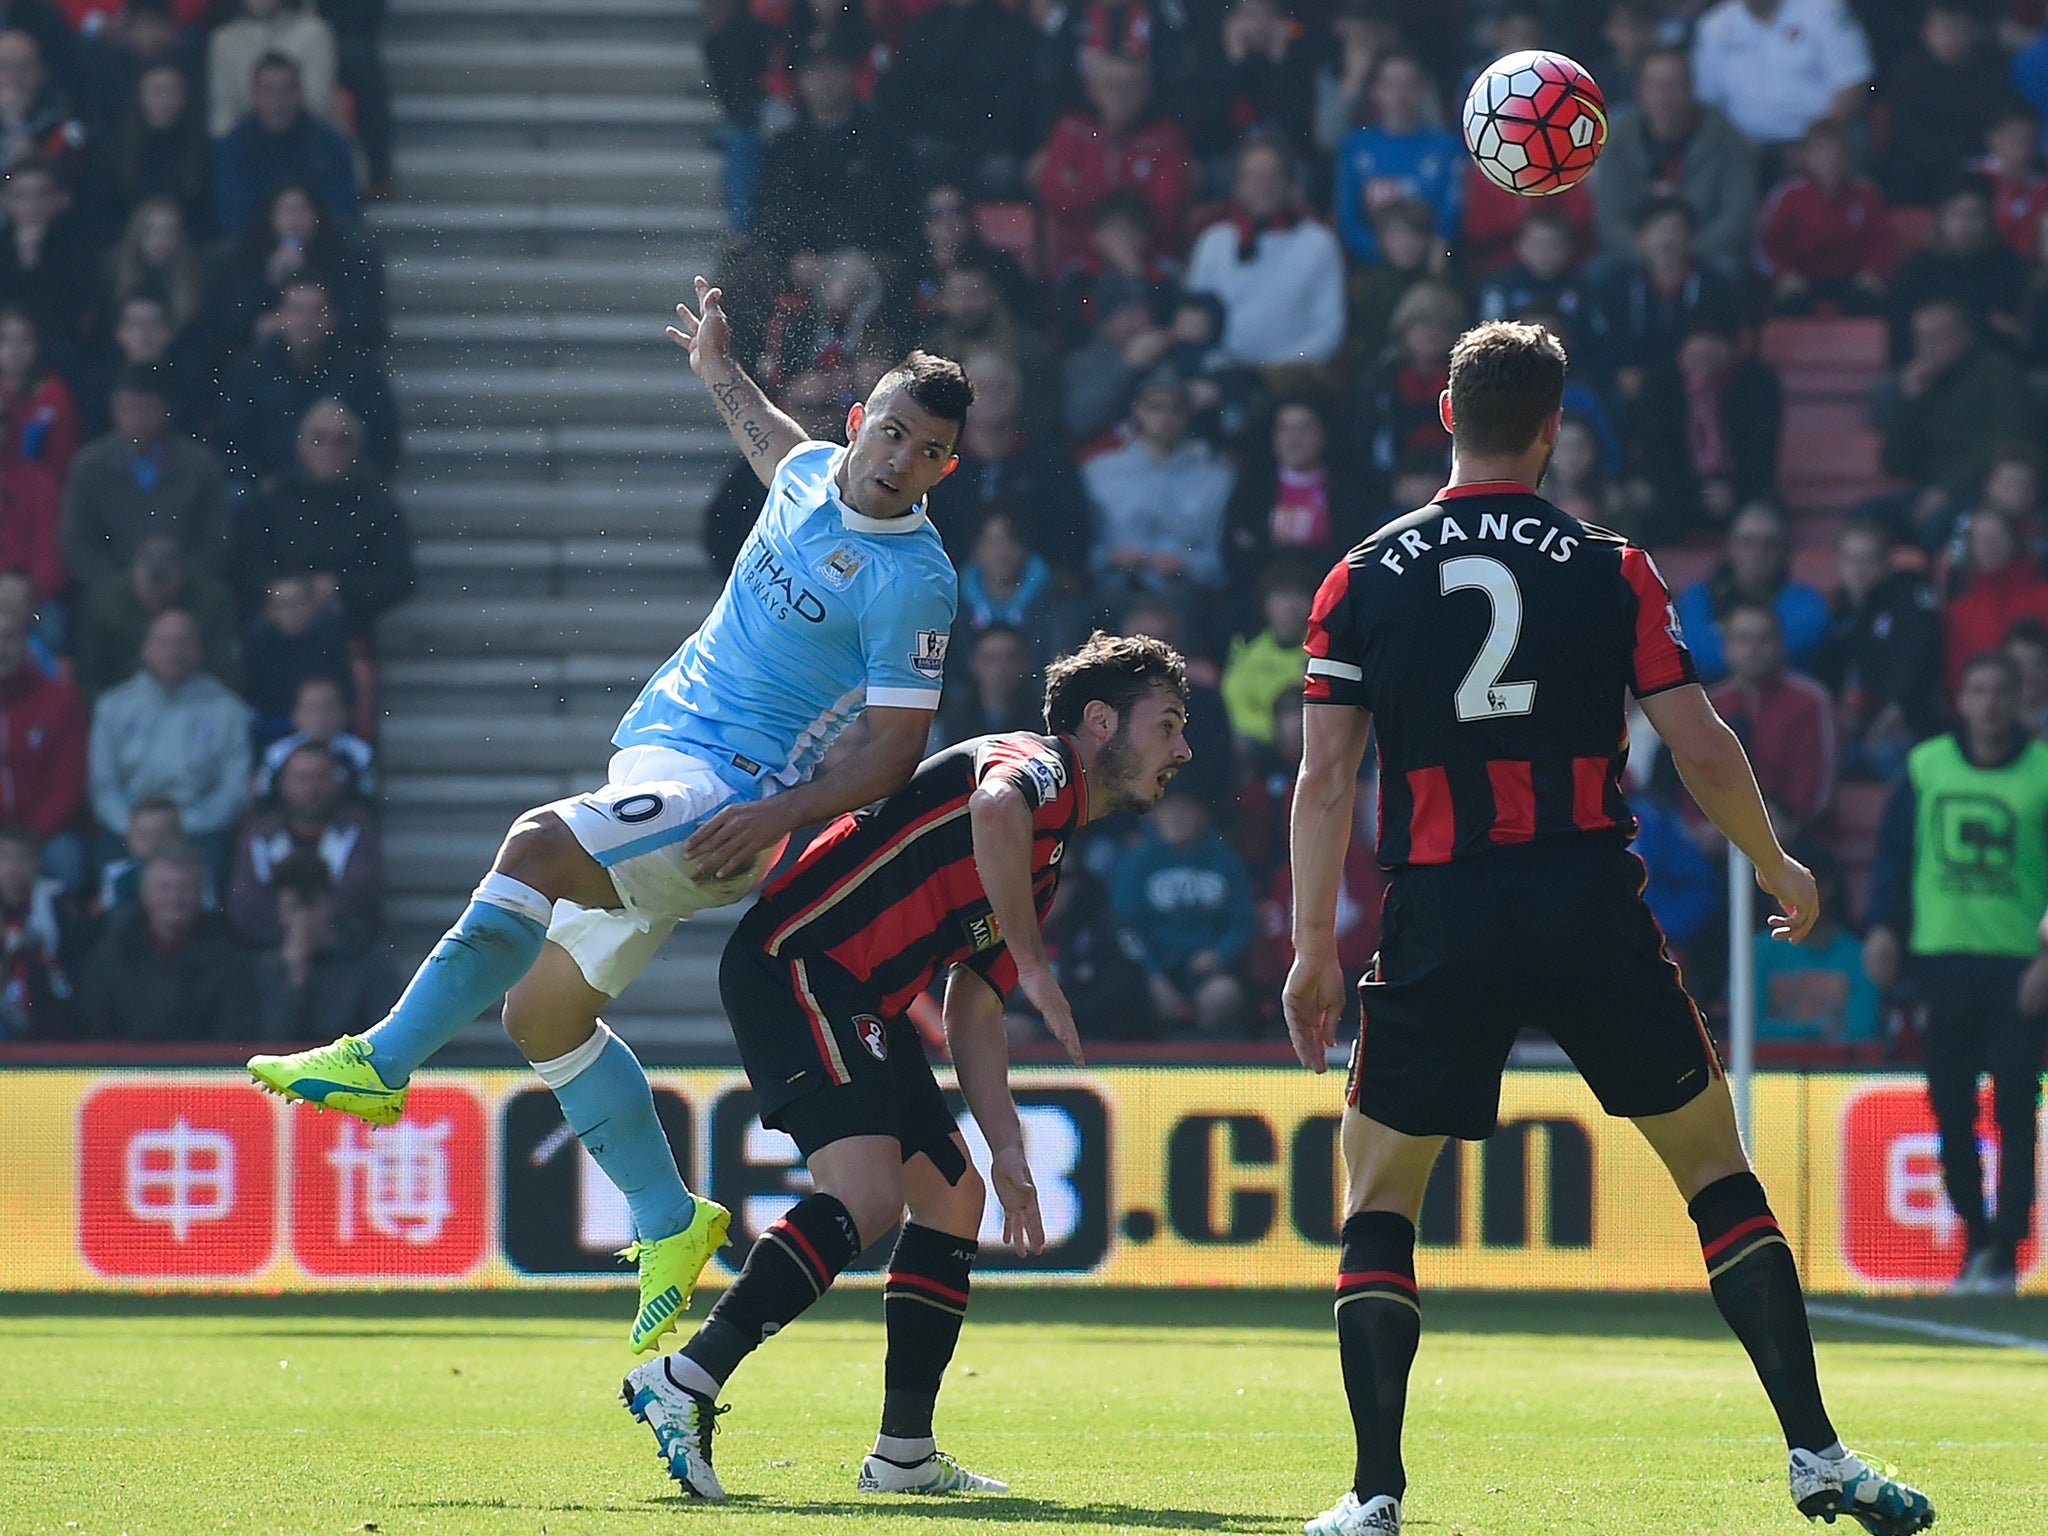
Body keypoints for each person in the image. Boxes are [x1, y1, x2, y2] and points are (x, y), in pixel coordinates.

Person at [1283, 318, 1933, 1536]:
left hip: (1442, 905)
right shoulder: (1611, 566)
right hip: (1587, 898)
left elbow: (1323, 781)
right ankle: (1816, 1454)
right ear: (1550, 431)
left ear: (1443, 416)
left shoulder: (1360, 576)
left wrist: (1313, 949)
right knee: (1713, 1171)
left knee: (1378, 1195)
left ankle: (1371, 1495)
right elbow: (1697, 742)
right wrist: (1775, 862)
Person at [248, 280, 968, 1355]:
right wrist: (716, 367)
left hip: (722, 796)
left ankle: (383, 1061)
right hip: (668, 761)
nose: (896, 458)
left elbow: (895, 749)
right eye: (891, 430)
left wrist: (775, 815)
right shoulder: (815, 470)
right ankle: (671, 1221)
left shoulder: (915, 580)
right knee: (540, 1018)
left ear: (942, 469)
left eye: (924, 451)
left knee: (534, 845)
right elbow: (771, 438)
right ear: (860, 421)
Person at [625, 632, 1191, 1500]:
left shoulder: (1045, 858)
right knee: (869, 1196)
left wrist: (1006, 1148)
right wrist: (1038, 964)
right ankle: (686, 1379)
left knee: (955, 1196)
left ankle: (903, 1456)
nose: (1182, 750)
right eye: (1169, 725)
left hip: (863, 999)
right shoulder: (1035, 764)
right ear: (1100, 721)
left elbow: (975, 1004)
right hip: (800, 964)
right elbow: (995, 810)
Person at [1866, 651, 2048, 1296]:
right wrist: (1885, 927)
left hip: (2019, 970)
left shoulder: (2044, 771)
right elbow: (1895, 856)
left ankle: (2006, 1251)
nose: (1990, 701)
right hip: (1942, 963)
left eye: (2001, 688)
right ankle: (1974, 1238)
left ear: (2020, 697)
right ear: (1961, 697)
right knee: (1950, 1111)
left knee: (2016, 1112)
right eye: (1977, 687)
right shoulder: (1926, 766)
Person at [232, 400, 413, 630]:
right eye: (320, 439)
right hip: (275, 623)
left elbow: (399, 578)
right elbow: (245, 564)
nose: (330, 448)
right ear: (301, 446)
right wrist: (280, 590)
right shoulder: (272, 501)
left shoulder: (376, 504)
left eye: (341, 440)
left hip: (348, 624)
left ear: (355, 450)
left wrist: (340, 588)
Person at [87, 606, 252, 858]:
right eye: (164, 643)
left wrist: (182, 828)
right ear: (145, 649)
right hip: (129, 828)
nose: (174, 652)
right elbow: (103, 785)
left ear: (199, 650)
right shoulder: (113, 707)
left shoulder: (227, 710)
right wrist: (136, 828)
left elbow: (234, 788)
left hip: (199, 830)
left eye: (184, 643)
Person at [1591, 45, 1758, 275]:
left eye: (1675, 85)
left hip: (1704, 251)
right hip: (1636, 252)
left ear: (1691, 88)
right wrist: (1649, 252)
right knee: (1599, 273)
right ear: (1639, 91)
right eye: (1656, 86)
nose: (1665, 96)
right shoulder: (1619, 139)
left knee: (1731, 271)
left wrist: (1686, 251)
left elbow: (1737, 215)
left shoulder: (1725, 137)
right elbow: (1609, 217)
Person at [1877, 301, 2036, 541]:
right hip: (1927, 488)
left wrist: (1946, 490)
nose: (1926, 348)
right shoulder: (1918, 383)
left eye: (1936, 337)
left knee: (1934, 530)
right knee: (1867, 518)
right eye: (1920, 338)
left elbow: (2006, 446)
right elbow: (1893, 461)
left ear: (1964, 337)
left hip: (1981, 489)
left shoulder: (1999, 374)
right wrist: (1910, 404)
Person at [60, 364, 230, 586]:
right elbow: (78, 543)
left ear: (168, 411)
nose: (137, 420)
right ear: (113, 411)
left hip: (187, 587)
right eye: (128, 409)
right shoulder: (90, 466)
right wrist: (122, 588)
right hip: (112, 591)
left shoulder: (201, 465)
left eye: (148, 409)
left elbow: (217, 540)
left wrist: (178, 581)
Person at [1186, 134, 1345, 369]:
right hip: (1225, 374)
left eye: (1273, 176)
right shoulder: (1214, 241)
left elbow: (1330, 327)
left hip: (1293, 378)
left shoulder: (1318, 242)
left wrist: (1282, 368)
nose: (1263, 186)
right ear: (1237, 185)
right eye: (1254, 177)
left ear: (1290, 183)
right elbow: (1195, 319)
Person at [216, 278, 396, 483]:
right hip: (269, 490)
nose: (307, 321)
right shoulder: (249, 371)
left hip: (344, 489)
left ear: (333, 318)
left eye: (317, 312)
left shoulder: (361, 373)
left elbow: (382, 445)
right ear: (279, 317)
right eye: (297, 311)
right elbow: (232, 441)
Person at [1081, 368, 1232, 603]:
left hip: (1186, 596)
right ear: (1137, 410)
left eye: (1176, 409)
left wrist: (1186, 564)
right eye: (1155, 408)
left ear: (1188, 414)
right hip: (1115, 592)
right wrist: (1109, 557)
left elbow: (1222, 563)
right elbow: (1082, 553)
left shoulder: (1217, 479)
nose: (1166, 418)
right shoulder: (1098, 473)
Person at [1034, 47, 1191, 272]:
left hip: (1152, 258)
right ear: (1092, 89)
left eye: (1130, 86)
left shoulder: (1167, 138)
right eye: (1110, 85)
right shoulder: (1071, 130)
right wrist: (1111, 225)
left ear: (1145, 91)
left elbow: (1167, 209)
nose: (1119, 94)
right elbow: (1056, 196)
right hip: (1081, 256)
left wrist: (1090, 197)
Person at [1810, 518, 1944, 782]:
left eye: (1868, 560)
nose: (1858, 569)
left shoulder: (1907, 601)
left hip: (1907, 718)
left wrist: (1895, 708)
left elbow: (1917, 663)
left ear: (1886, 563)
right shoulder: (1838, 610)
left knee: (1886, 753)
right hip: (1853, 722)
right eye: (1850, 559)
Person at [1112, 784, 1253, 1035]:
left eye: (1186, 810)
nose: (1177, 818)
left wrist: (1219, 954)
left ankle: (1203, 1060)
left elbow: (1242, 921)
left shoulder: (1225, 860)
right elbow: (1126, 926)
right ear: (1155, 815)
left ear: (1203, 816)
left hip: (1206, 968)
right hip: (1148, 969)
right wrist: (1153, 975)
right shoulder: (1137, 861)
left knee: (1223, 995)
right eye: (1169, 811)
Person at [1628, 317, 1782, 540]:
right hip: (1677, 492)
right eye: (1698, 339)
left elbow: (1762, 455)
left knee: (1764, 519)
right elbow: (1655, 457)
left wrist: (1732, 488)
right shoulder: (1659, 384)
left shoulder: (1759, 382)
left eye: (1716, 339)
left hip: (1742, 492)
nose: (1706, 348)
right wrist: (1698, 492)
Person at [77, 840, 249, 1038]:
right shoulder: (111, 955)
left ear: (201, 893)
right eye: (165, 888)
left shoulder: (228, 957)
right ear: (145, 894)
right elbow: (96, 1031)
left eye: (185, 888)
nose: (175, 899)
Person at [227, 738, 377, 948]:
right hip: (268, 952)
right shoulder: (258, 835)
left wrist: (310, 932)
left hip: (341, 952)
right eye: (301, 778)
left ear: (337, 782)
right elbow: (245, 904)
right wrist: (293, 935)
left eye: (320, 778)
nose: (311, 789)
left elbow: (358, 895)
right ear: (282, 784)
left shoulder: (357, 829)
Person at [1707, 601, 1837, 844]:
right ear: (1727, 648)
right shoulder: (1710, 705)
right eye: (1743, 640)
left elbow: (1815, 787)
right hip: (1719, 840)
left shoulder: (1809, 701)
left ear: (1781, 644)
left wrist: (1781, 823)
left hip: (1795, 838)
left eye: (1763, 639)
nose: (1753, 649)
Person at [1672, 501, 1830, 684]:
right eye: (1748, 542)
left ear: (1785, 550)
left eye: (1769, 544)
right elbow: (1691, 650)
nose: (1758, 552)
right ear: (1730, 547)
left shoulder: (1808, 604)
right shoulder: (1697, 598)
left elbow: (1799, 642)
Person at [251, 845, 398, 1042]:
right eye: (292, 909)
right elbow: (271, 1042)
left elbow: (385, 1036)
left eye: (310, 906)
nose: (303, 920)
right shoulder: (270, 968)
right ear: (279, 914)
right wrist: (297, 977)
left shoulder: (370, 961)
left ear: (329, 903)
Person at [71, 533, 240, 701]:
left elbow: (226, 669)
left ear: (183, 575)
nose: (156, 603)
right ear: (134, 573)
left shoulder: (213, 603)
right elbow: (89, 675)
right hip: (121, 708)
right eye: (149, 595)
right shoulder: (103, 605)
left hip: (198, 702)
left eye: (164, 597)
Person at [1690, 0, 1872, 156]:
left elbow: (1853, 85)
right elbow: (1707, 103)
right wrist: (1738, 145)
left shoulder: (1825, 10)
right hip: (1743, 149)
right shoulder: (1713, 26)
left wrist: (1814, 145)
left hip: (1818, 144)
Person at [1332, 52, 1460, 266]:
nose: (1400, 94)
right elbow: (1347, 217)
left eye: (1409, 84)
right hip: (1371, 268)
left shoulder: (1445, 148)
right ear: (1375, 91)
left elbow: (1452, 213)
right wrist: (1380, 251)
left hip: (1431, 264)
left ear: (1423, 90)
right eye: (1390, 85)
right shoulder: (1357, 146)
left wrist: (1431, 254)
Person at [211, 51, 355, 238]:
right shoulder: (231, 148)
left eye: (287, 90)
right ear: (253, 96)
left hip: (319, 250)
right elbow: (233, 216)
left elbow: (342, 211)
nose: (278, 102)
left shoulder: (330, 146)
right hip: (252, 252)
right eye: (269, 91)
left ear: (300, 94)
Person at [1755, 116, 1888, 316]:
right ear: (1806, 157)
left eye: (1837, 155)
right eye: (1822, 154)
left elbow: (1882, 240)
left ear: (1849, 157)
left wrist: (1873, 271)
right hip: (1801, 279)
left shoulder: (1866, 194)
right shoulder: (1788, 195)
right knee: (1784, 305)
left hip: (1852, 279)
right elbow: (1768, 244)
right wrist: (1783, 275)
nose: (1830, 162)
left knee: (1874, 302)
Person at [0, 611, 84, 883]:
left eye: (8, 638)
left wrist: (31, 838)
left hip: (44, 833)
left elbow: (67, 782)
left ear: (27, 641)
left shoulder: (60, 699)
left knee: (65, 859)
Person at [1941, 504, 2048, 703]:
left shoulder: (2044, 597)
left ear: (2014, 541)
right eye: (1980, 538)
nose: (1990, 545)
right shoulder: (1959, 612)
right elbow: (1958, 681)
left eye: (1998, 536)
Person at [207, 0, 337, 141]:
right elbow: (222, 115)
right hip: (247, 146)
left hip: (309, 142)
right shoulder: (224, 40)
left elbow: (317, 106)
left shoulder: (314, 32)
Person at [0, 820, 73, 1037]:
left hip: (44, 1003)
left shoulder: (56, 902)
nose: (13, 866)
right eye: (4, 857)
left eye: (22, 857)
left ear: (37, 862)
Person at [254, 671, 372, 798]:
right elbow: (263, 791)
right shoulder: (278, 753)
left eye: (329, 708)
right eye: (311, 708)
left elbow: (367, 792)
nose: (319, 717)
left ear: (346, 713)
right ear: (295, 715)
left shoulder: (360, 752)